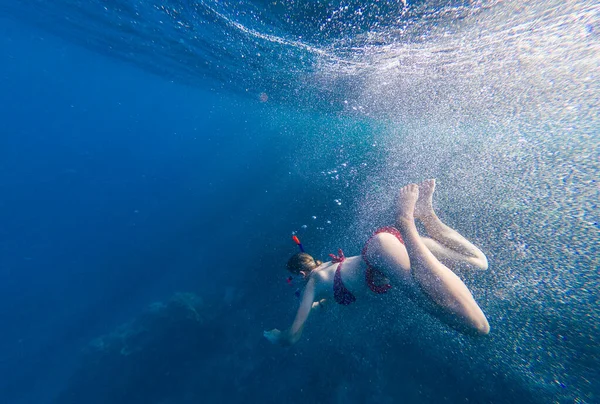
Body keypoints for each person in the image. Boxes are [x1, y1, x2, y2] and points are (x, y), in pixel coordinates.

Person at [264, 180, 490, 346]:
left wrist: (278, 336)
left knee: (475, 326)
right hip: (386, 249)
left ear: (302, 274)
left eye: (292, 280)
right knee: (478, 263)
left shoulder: (313, 283)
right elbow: (323, 302)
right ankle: (427, 216)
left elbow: (293, 335)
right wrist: (315, 307)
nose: (293, 285)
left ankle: (406, 221)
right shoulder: (324, 277)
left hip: (383, 253)